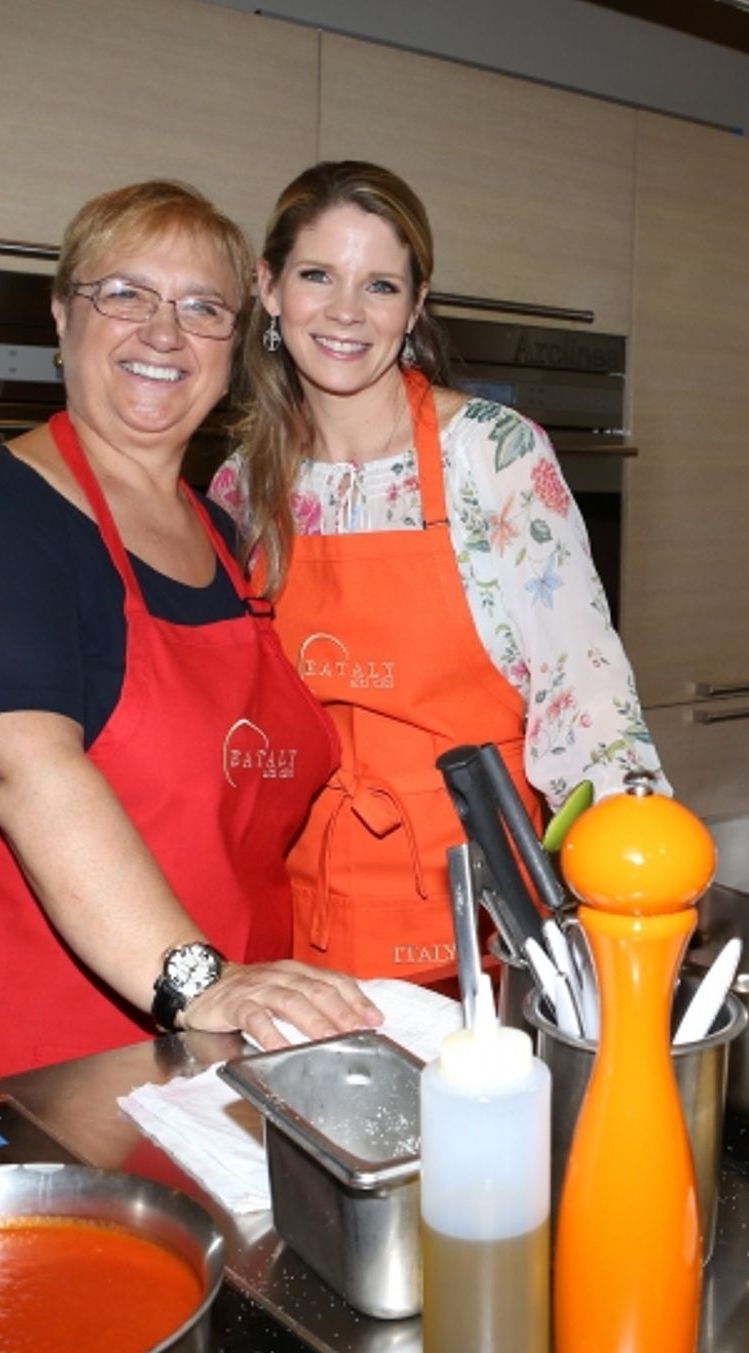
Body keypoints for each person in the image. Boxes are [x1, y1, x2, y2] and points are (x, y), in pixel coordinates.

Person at [0, 180, 380, 1104]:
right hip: (13, 1061)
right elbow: (22, 770)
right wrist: (200, 981)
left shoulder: (224, 536)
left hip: (197, 1061)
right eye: (125, 294)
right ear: (61, 317)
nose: (163, 332)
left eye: (202, 307)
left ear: (232, 348)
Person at [209, 161, 669, 983]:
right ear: (269, 287)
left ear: (416, 306)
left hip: (476, 913)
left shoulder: (493, 455)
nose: (347, 311)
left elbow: (584, 698)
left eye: (380, 284)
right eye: (318, 275)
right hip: (292, 916)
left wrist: (635, 899)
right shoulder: (242, 486)